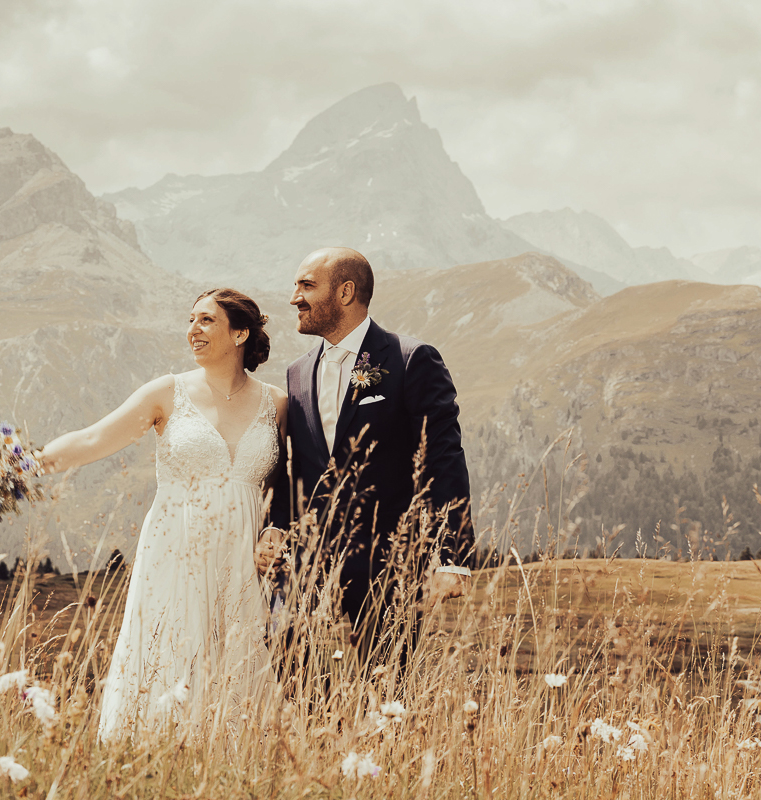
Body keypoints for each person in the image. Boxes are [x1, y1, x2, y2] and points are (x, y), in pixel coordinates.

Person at [39, 288, 285, 742]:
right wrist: (26, 462)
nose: (193, 330)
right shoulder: (166, 393)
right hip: (176, 550)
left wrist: (276, 529)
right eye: (190, 319)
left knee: (238, 661)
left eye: (207, 320)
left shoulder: (278, 404)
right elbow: (94, 439)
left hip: (243, 562)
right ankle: (148, 763)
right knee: (172, 653)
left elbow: (290, 484)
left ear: (241, 333)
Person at [257, 247, 474, 633]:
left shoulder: (410, 360)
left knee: (382, 690)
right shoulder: (297, 372)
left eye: (306, 286)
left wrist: (451, 557)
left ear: (345, 292)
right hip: (301, 579)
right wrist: (274, 526)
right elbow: (296, 468)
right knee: (295, 689)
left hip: (387, 575)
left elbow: (444, 460)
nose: (294, 298)